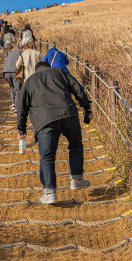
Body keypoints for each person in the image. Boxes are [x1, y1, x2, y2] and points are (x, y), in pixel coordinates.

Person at [17, 61, 93, 204]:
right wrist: (86, 106)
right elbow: (77, 87)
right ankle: (77, 179)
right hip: (68, 114)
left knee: (47, 156)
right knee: (76, 145)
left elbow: (21, 107)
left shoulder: (30, 81)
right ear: (49, 67)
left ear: (36, 70)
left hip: (44, 119)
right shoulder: (59, 72)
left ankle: (49, 192)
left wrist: (21, 129)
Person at [3, 46, 23, 112]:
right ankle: (17, 108)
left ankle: (13, 104)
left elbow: (5, 61)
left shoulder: (12, 52)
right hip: (14, 71)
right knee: (17, 89)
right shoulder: (22, 52)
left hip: (6, 71)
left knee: (12, 88)